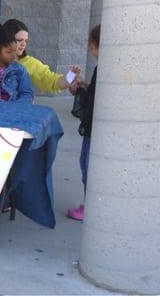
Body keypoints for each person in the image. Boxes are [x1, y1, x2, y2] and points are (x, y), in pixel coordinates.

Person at [0, 19, 80, 92]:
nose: (23, 44)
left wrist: (69, 79)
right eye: (19, 40)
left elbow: (50, 81)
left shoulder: (30, 63)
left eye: (26, 40)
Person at [67, 25, 100, 221]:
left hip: (94, 129)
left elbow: (94, 100)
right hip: (98, 128)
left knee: (88, 165)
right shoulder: (105, 68)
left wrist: (79, 91)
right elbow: (95, 91)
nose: (90, 49)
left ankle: (91, 207)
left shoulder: (102, 67)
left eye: (92, 45)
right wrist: (83, 85)